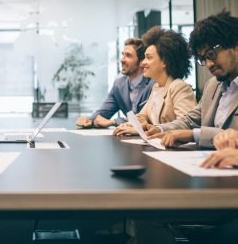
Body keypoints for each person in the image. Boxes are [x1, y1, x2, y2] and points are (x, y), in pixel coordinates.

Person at [146, 11, 238, 148]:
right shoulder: (213, 85)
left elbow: (233, 136)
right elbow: (190, 120)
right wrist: (159, 129)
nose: (209, 64)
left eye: (211, 54)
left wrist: (193, 134)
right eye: (203, 59)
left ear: (235, 45)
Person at [113, 27, 196, 136]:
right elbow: (142, 116)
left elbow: (187, 125)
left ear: (165, 61)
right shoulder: (157, 87)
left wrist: (147, 130)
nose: (143, 63)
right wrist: (128, 125)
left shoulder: (179, 87)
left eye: (149, 58)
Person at [76, 38, 154, 128]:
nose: (122, 60)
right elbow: (103, 112)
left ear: (141, 62)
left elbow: (147, 119)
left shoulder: (153, 84)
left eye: (128, 56)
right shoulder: (119, 85)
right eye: (123, 55)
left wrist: (114, 122)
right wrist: (88, 120)